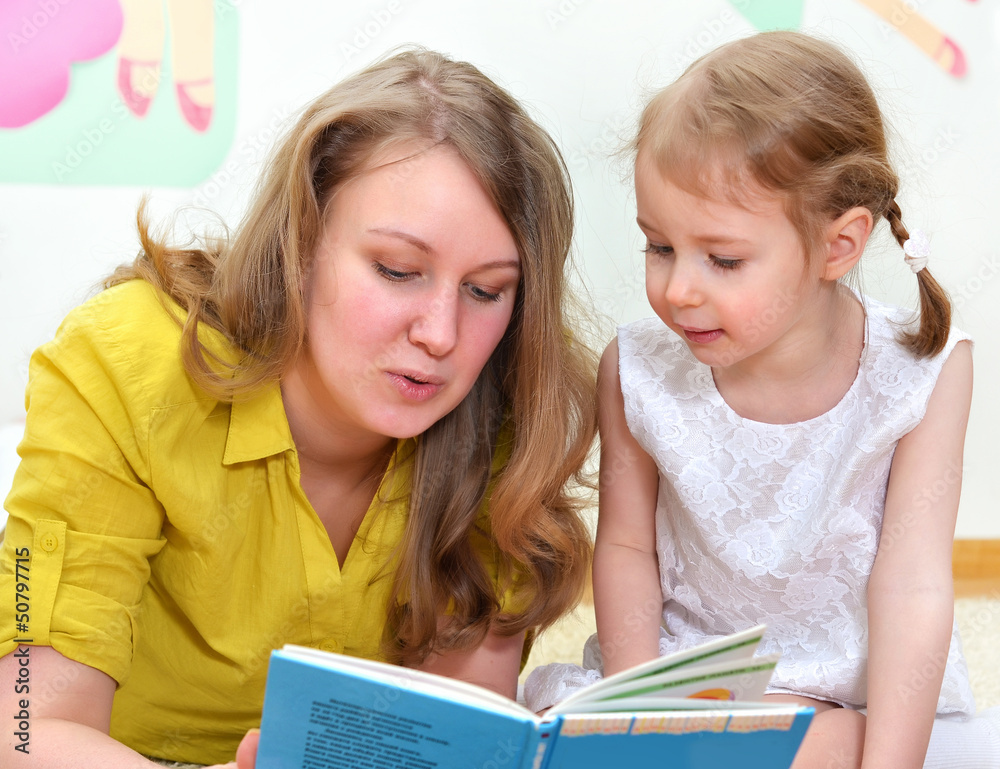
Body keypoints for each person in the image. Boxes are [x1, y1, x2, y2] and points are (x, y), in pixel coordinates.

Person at [0, 47, 598, 767]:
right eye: (397, 271)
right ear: (302, 240)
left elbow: (446, 746)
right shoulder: (122, 364)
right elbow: (25, 731)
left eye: (486, 289)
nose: (441, 335)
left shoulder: (506, 422)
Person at [524, 30, 1000, 769]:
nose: (678, 288)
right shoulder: (636, 368)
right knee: (549, 732)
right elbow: (624, 548)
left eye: (722, 258)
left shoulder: (924, 371)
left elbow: (912, 584)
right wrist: (632, 718)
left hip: (845, 689)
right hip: (685, 679)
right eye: (659, 246)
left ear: (838, 247)